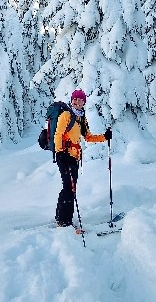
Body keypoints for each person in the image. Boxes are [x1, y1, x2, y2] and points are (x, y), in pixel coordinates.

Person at [54, 89, 112, 227]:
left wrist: (105, 136)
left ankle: (61, 216)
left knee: (70, 187)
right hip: (64, 156)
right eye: (75, 99)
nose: (77, 102)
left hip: (74, 157)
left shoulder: (81, 118)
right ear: (72, 100)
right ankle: (64, 221)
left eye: (80, 100)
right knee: (69, 187)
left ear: (84, 103)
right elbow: (58, 134)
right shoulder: (66, 115)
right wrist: (60, 153)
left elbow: (88, 137)